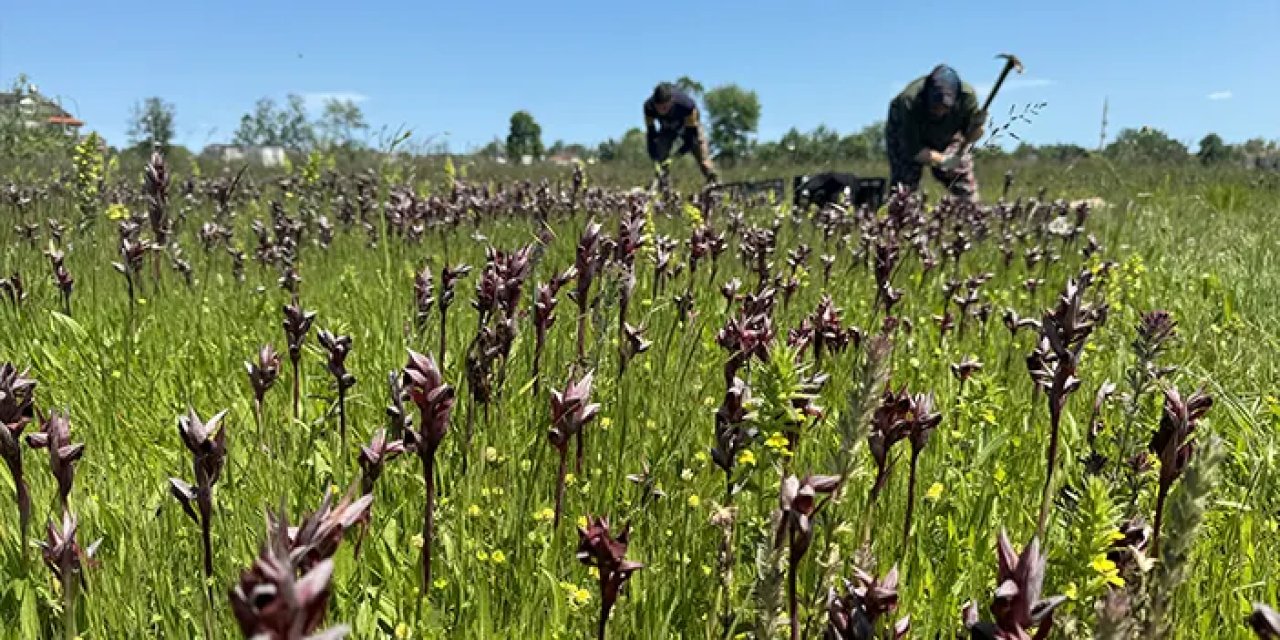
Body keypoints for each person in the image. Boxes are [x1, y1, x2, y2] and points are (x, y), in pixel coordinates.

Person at [886, 65, 986, 202]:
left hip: (946, 134)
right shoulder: (909, 101)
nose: (939, 111)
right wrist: (943, 160)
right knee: (904, 187)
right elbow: (914, 151)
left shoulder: (966, 97)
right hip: (907, 133)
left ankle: (971, 213)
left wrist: (978, 127)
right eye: (935, 106)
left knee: (961, 176)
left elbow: (970, 137)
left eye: (944, 107)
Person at [644, 83, 718, 185]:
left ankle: (714, 182)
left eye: (665, 107)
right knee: (660, 154)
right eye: (658, 108)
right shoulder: (649, 107)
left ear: (671, 102)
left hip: (689, 127)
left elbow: (691, 140)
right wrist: (655, 158)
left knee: (703, 157)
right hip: (668, 128)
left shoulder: (686, 106)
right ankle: (664, 186)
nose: (661, 111)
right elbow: (651, 135)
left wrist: (675, 157)